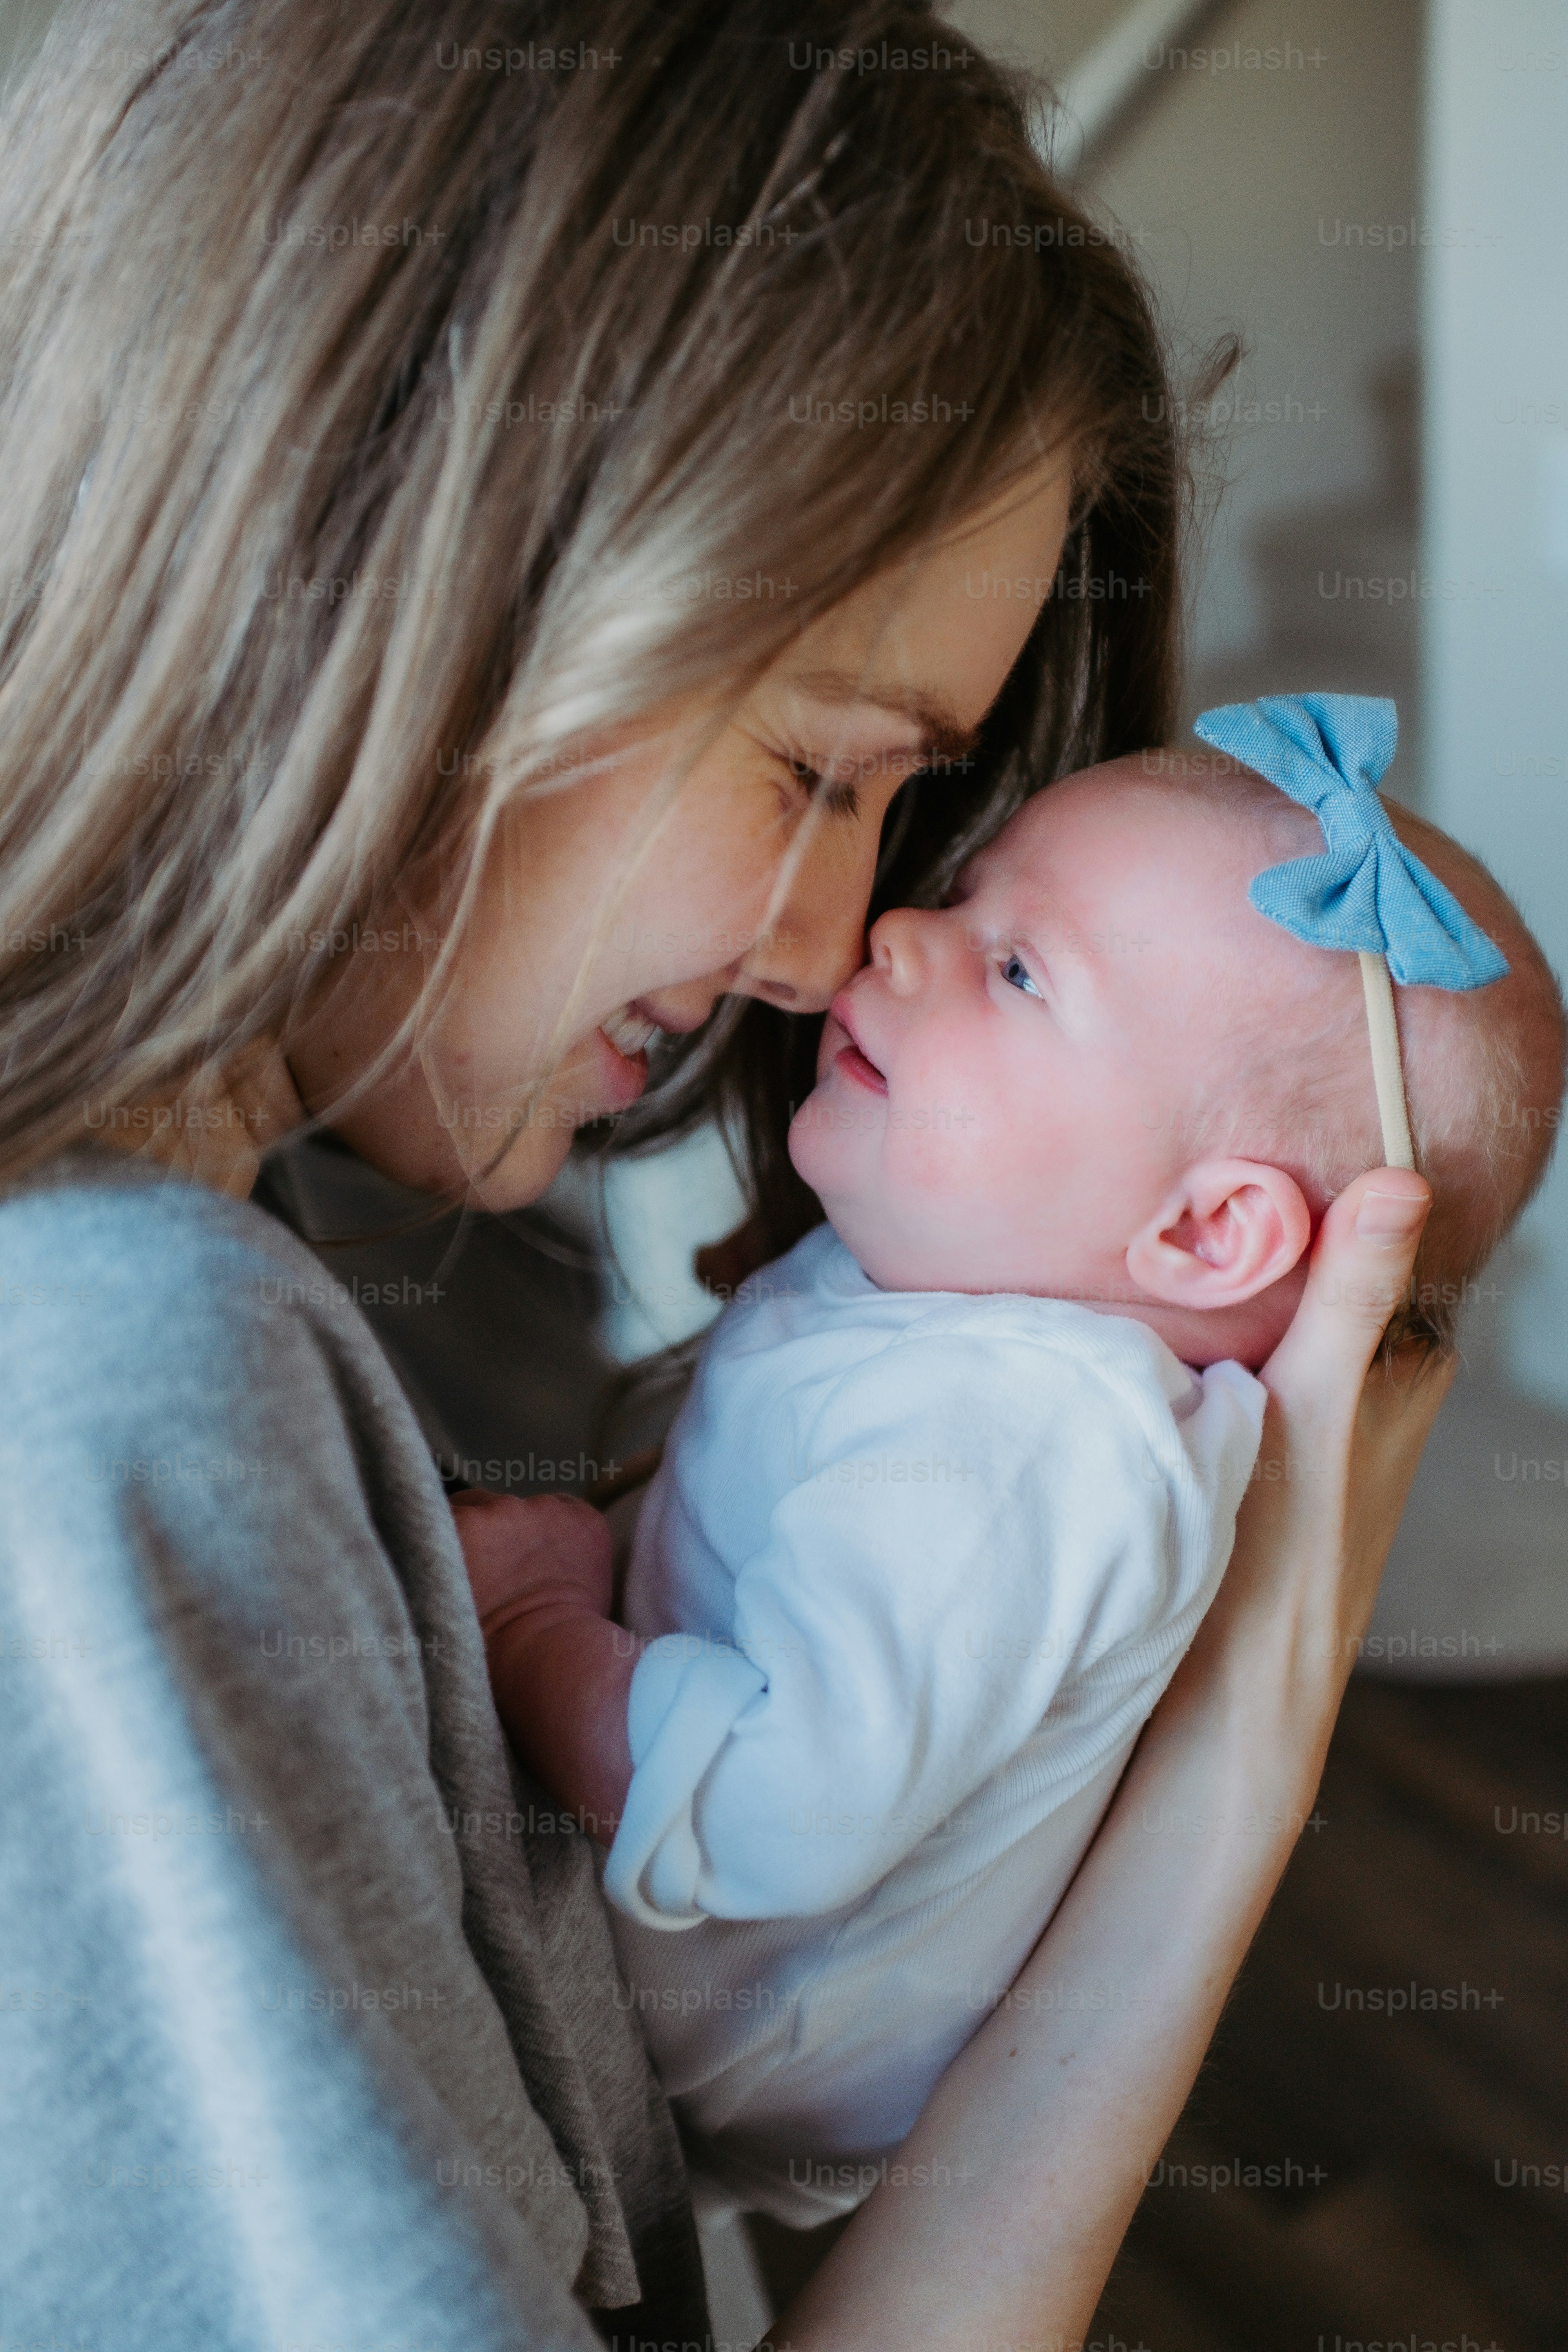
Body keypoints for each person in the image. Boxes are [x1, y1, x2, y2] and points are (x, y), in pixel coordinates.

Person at [0, 2, 1455, 2345]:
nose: (821, 951)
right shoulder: (110, 1377)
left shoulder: (182, 1290)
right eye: (819, 767)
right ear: (412, 567)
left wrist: (1226, 1762)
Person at [465, 720, 1566, 2227]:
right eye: (971, 896)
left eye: (1021, 970)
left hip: (713, 2020)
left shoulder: (1031, 1444)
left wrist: (537, 1639)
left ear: (1202, 1236)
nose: (907, 930)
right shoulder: (992, 1322)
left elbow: (776, 1812)